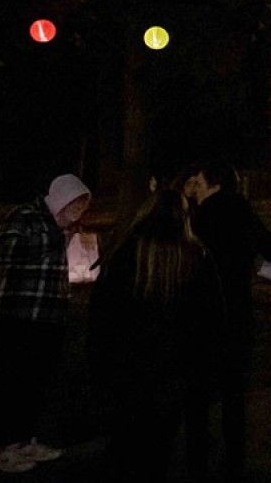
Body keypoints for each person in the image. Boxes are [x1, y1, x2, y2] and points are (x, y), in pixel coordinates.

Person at [89, 190, 224, 482]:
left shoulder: (124, 254)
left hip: (129, 370)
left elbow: (101, 316)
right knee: (156, 452)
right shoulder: (196, 257)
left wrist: (101, 366)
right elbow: (211, 320)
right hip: (172, 374)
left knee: (124, 448)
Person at [183, 160, 271, 480]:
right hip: (236, 311)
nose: (194, 185)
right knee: (233, 393)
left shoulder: (196, 218)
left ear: (211, 181)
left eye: (198, 179)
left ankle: (197, 460)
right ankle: (233, 459)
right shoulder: (240, 210)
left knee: (198, 394)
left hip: (200, 314)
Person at [0, 174, 91, 473]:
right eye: (74, 207)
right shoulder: (26, 216)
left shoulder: (59, 229)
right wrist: (56, 237)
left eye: (81, 209)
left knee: (36, 384)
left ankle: (25, 440)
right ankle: (4, 449)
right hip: (17, 316)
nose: (77, 215)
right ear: (61, 200)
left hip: (48, 319)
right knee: (13, 383)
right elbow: (6, 249)